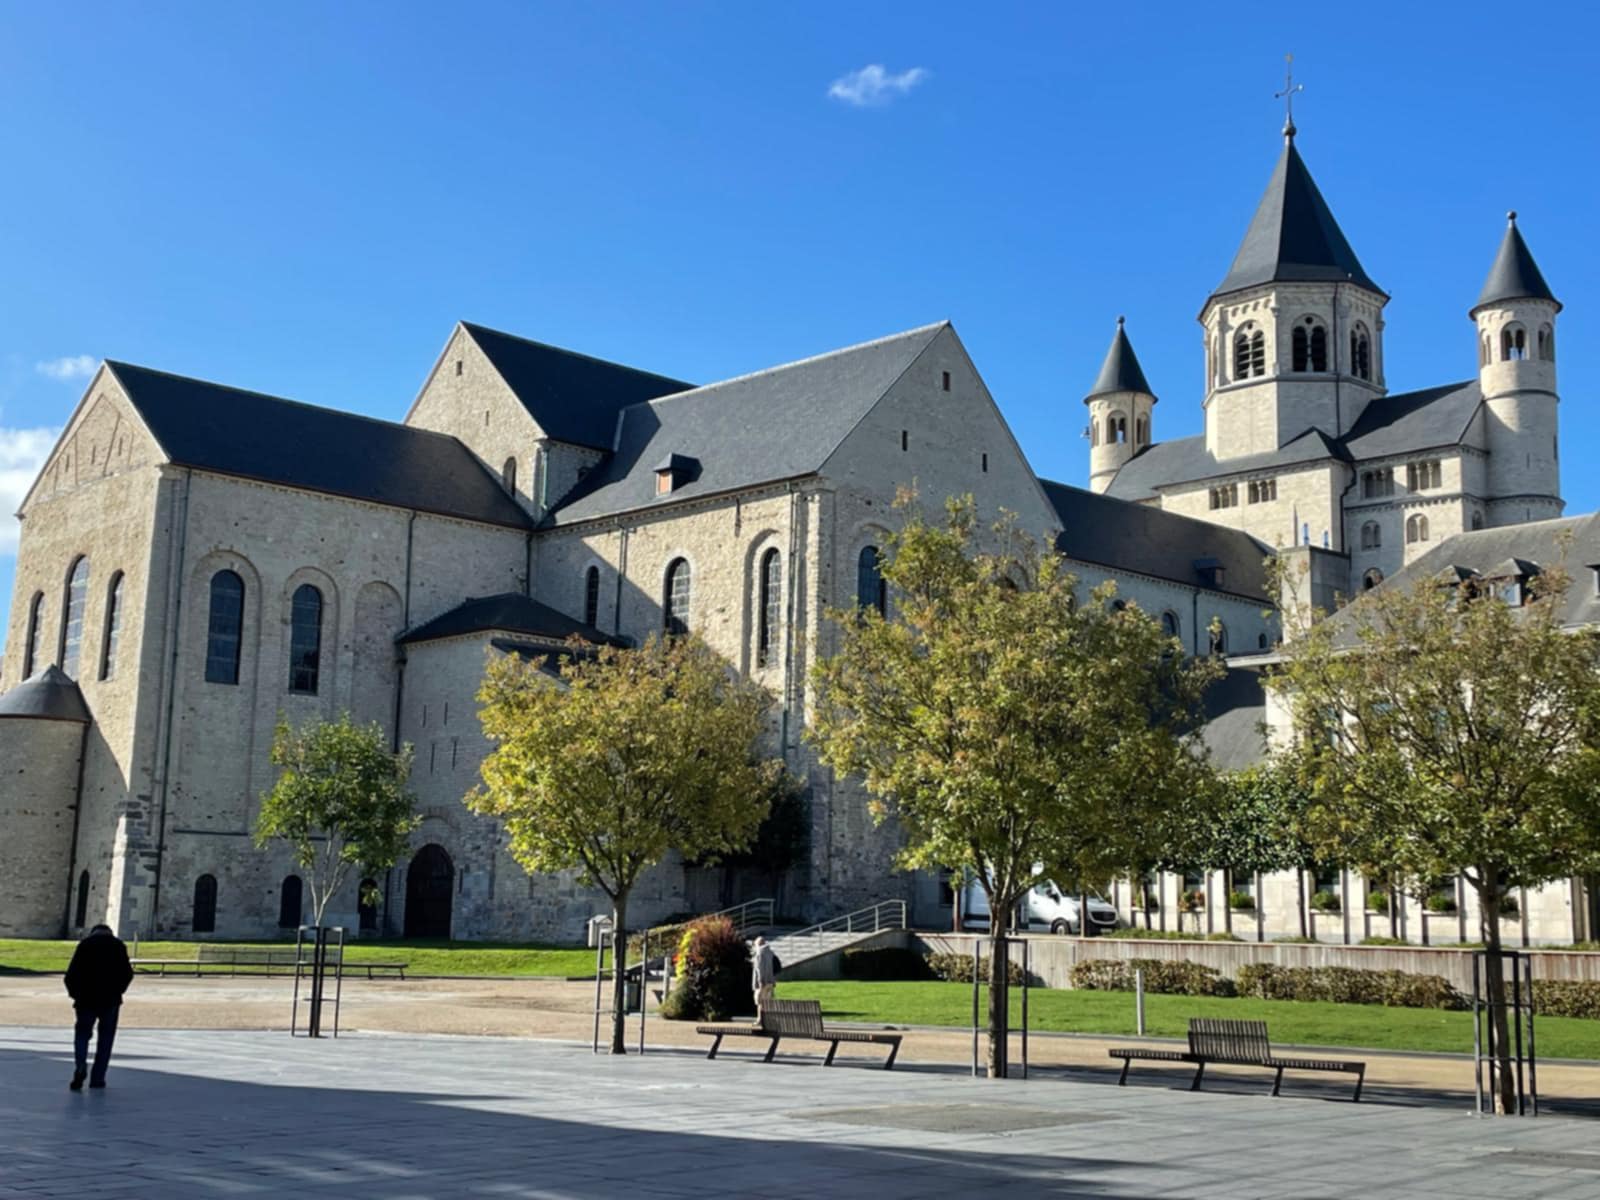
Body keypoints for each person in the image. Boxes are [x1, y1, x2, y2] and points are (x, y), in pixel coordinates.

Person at [64, 923, 133, 1091]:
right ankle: (98, 1078)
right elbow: (127, 974)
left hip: (85, 1000)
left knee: (82, 1035)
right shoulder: (118, 946)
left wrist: (75, 994)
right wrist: (119, 991)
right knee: (106, 1040)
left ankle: (81, 1064)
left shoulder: (85, 945)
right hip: (110, 1000)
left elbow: (70, 975)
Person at [750, 935, 778, 1017]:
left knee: (760, 1002)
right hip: (770, 981)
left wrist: (760, 981)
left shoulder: (759, 953)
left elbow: (759, 969)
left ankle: (760, 1019)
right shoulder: (770, 953)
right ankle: (768, 1019)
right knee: (768, 1002)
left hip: (762, 982)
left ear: (757, 944)